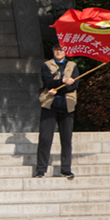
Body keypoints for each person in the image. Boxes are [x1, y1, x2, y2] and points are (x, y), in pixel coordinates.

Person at [35, 44, 79, 179]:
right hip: (50, 106)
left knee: (66, 139)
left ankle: (66, 169)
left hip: (67, 106)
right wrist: (63, 81)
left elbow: (74, 85)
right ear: (53, 51)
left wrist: (58, 89)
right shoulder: (46, 65)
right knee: (45, 138)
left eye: (61, 49)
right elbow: (47, 82)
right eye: (56, 49)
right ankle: (41, 170)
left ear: (66, 51)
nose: (59, 52)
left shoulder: (73, 66)